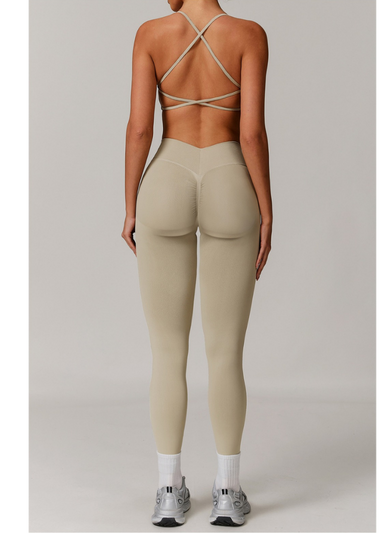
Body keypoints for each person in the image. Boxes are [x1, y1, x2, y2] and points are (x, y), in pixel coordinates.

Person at [121, 0, 272, 527]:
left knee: (167, 351)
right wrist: (267, 211)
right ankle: (228, 492)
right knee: (226, 351)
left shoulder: (151, 33)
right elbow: (251, 134)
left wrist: (129, 206)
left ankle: (169, 491)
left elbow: (140, 130)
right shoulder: (249, 34)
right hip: (230, 179)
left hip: (167, 178)